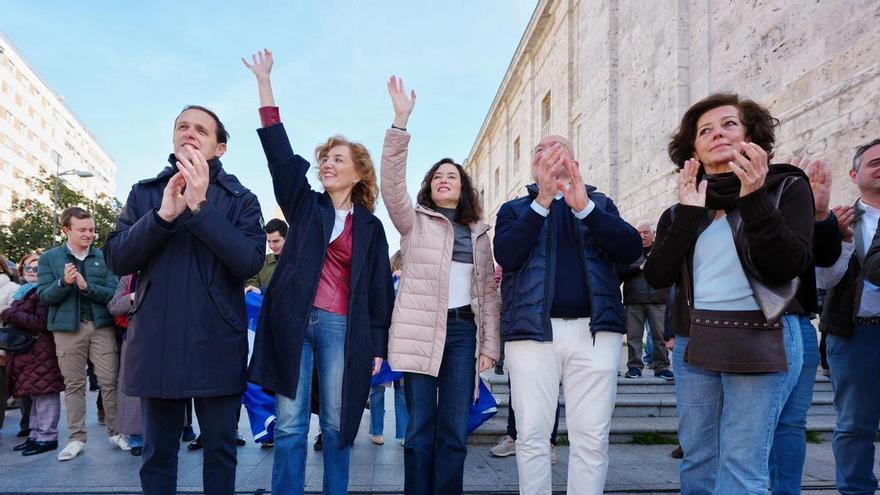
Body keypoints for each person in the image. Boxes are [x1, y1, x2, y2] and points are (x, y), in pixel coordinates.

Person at [644, 93, 814, 494]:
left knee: (742, 464)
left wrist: (753, 199)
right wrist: (688, 215)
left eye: (729, 124)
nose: (717, 133)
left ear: (750, 136)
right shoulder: (680, 209)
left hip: (764, 336)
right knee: (697, 458)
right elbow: (657, 276)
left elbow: (788, 266)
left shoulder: (785, 186)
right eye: (705, 131)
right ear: (693, 151)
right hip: (695, 339)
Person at [243, 50, 394, 495]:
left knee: (335, 424)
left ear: (359, 173)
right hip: (293, 323)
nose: (327, 163)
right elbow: (278, 155)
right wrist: (265, 84)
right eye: (325, 158)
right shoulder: (304, 205)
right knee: (290, 425)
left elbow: (379, 291)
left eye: (338, 159)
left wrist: (378, 345)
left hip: (341, 327)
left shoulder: (371, 227)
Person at [104, 104, 266, 494]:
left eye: (201, 130)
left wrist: (200, 208)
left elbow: (248, 261)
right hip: (156, 341)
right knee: (158, 455)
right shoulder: (145, 193)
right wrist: (161, 217)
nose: (189, 133)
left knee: (220, 451)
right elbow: (117, 259)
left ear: (220, 148)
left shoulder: (240, 199)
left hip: (216, 342)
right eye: (183, 126)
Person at [494, 133, 642, 494]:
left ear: (573, 162)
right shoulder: (514, 209)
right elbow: (508, 255)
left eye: (558, 149)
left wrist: (586, 209)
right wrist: (542, 201)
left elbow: (630, 249)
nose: (548, 155)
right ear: (532, 164)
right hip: (532, 334)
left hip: (596, 333)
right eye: (540, 150)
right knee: (531, 435)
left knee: (591, 437)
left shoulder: (599, 203)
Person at [381, 76, 501, 495]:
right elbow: (391, 185)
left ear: (463, 188)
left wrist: (489, 346)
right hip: (420, 332)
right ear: (429, 187)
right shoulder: (413, 221)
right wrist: (400, 123)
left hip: (463, 334)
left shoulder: (479, 232)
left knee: (453, 430)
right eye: (437, 176)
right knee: (418, 431)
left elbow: (488, 294)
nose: (444, 179)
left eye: (452, 176)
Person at [769, 156, 843, 495]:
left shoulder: (789, 188)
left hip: (797, 322)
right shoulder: (720, 195)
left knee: (791, 423)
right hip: (744, 324)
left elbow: (823, 260)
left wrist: (819, 214)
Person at [815, 138, 880, 494]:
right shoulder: (838, 220)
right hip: (855, 335)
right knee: (855, 424)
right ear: (854, 175)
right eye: (875, 162)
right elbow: (823, 281)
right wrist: (838, 239)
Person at [37, 207, 122, 461]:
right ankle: (76, 439)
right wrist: (64, 283)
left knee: (110, 380)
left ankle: (117, 432)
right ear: (66, 230)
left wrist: (87, 287)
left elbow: (113, 293)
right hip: (66, 329)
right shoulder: (50, 258)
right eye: (82, 229)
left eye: (92, 230)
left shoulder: (104, 256)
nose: (89, 234)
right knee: (74, 384)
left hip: (101, 326)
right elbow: (44, 297)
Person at [4, 253, 64, 456]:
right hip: (29, 351)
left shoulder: (45, 292)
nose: (31, 271)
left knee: (45, 393)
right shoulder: (24, 291)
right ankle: (35, 435)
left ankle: (47, 437)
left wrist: (9, 313)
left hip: (42, 349)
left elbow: (41, 322)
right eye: (28, 267)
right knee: (35, 394)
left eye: (37, 268)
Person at [617, 220, 673, 380]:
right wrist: (639, 268)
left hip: (658, 299)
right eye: (639, 233)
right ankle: (634, 367)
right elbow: (620, 273)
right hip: (634, 299)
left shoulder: (662, 250)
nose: (642, 236)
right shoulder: (629, 251)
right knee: (633, 337)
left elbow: (670, 271)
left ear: (653, 234)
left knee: (660, 336)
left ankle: (662, 367)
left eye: (645, 232)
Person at [368, 251, 408, 446]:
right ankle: (402, 434)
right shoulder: (385, 285)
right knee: (394, 391)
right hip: (391, 342)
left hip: (390, 342)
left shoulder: (408, 286)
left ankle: (379, 431)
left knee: (381, 390)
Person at [107, 274, 143, 456]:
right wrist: (132, 296)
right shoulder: (128, 278)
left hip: (166, 336)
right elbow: (113, 307)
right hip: (135, 337)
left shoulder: (169, 270)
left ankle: (168, 433)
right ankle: (136, 436)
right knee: (132, 388)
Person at [245, 218, 288, 294]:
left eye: (276, 241)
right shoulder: (262, 261)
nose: (271, 246)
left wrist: (261, 291)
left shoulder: (297, 262)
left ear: (287, 238)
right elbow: (251, 283)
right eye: (268, 241)